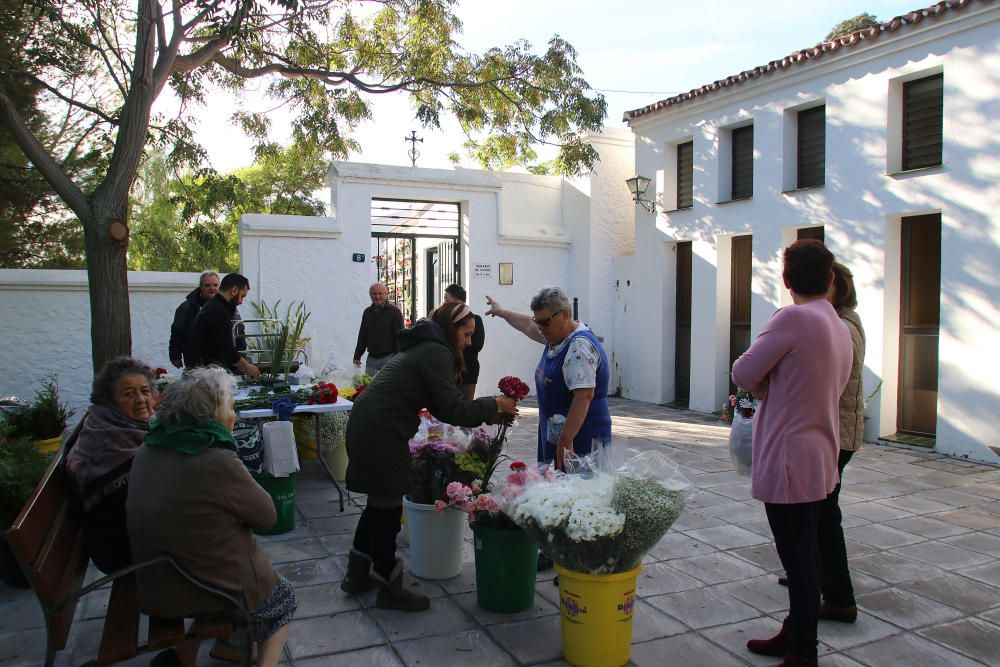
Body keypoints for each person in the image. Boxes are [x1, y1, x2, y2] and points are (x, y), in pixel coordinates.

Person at [341, 301, 518, 611]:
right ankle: (387, 586)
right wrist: (495, 405)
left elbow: (440, 405)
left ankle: (357, 576)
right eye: (466, 334)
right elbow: (453, 409)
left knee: (378, 502)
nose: (468, 342)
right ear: (452, 328)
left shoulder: (426, 347)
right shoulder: (436, 352)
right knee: (387, 508)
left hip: (370, 424)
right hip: (381, 430)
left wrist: (486, 411)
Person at [732, 240, 852, 667]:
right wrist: (773, 384)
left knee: (798, 560)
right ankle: (797, 631)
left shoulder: (793, 318)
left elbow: (744, 372)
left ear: (786, 281)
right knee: (808, 553)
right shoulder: (839, 324)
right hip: (820, 453)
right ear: (830, 278)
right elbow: (823, 386)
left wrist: (765, 386)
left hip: (789, 457)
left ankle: (804, 651)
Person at [127, 367, 295, 667]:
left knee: (212, 559)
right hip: (199, 586)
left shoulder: (149, 447)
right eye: (230, 407)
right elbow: (267, 516)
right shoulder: (215, 459)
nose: (234, 416)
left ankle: (199, 654)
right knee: (282, 599)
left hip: (155, 581)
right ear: (213, 415)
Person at [485, 287, 611, 469]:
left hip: (581, 439)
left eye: (545, 322)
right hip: (557, 434)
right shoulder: (558, 336)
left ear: (565, 314)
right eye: (538, 321)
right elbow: (528, 325)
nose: (540, 328)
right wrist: (502, 312)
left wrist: (566, 440)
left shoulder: (579, 347)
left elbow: (583, 396)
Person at [64, 357, 157, 574]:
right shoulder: (107, 446)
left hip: (127, 535)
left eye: (145, 391)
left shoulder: (110, 427)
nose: (141, 399)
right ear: (109, 401)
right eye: (128, 393)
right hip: (122, 552)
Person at [185, 272, 260, 380]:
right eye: (242, 296)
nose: (241, 301)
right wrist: (247, 367)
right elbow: (227, 348)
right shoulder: (218, 310)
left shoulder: (216, 306)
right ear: (234, 290)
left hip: (203, 368)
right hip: (204, 371)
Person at [169, 271, 219, 368]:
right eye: (208, 285)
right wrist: (175, 356)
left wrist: (240, 356)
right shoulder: (186, 308)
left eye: (215, 285)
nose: (212, 288)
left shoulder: (228, 307)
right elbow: (177, 332)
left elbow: (238, 330)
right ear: (201, 287)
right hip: (195, 362)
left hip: (221, 363)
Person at [353, 282, 404, 376]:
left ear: (386, 294)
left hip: (389, 357)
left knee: (387, 387)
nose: (377, 296)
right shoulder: (367, 312)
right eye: (374, 294)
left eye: (380, 293)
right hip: (371, 358)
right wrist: (357, 355)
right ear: (370, 295)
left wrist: (398, 359)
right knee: (368, 386)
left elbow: (400, 337)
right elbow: (363, 335)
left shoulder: (395, 312)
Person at [443, 283, 485, 399]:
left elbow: (477, 345)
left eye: (446, 299)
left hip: (468, 368)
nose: (444, 303)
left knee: (466, 404)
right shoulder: (444, 321)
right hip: (448, 369)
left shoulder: (475, 320)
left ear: (458, 301)